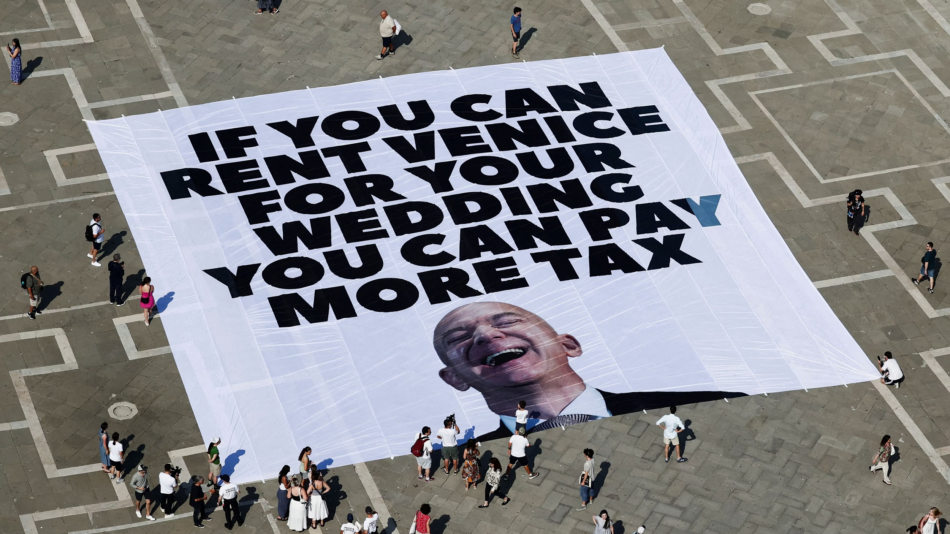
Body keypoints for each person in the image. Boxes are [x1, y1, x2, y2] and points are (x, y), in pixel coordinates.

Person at [434, 302, 742, 441]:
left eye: (506, 322)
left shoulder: (719, 405)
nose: (486, 336)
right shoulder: (460, 462)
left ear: (569, 345)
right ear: (455, 378)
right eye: (458, 338)